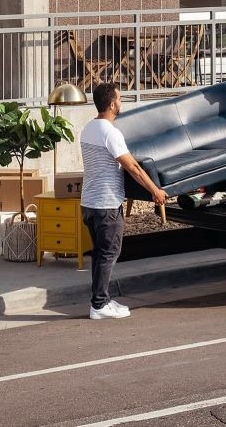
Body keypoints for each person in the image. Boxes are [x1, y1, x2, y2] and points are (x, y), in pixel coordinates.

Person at [80, 83, 167, 320]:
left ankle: (102, 300)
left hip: (89, 202)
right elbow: (134, 168)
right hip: (106, 203)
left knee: (100, 253)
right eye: (119, 99)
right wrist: (155, 191)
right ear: (111, 104)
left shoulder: (88, 128)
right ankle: (98, 305)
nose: (121, 103)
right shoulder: (110, 133)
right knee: (109, 253)